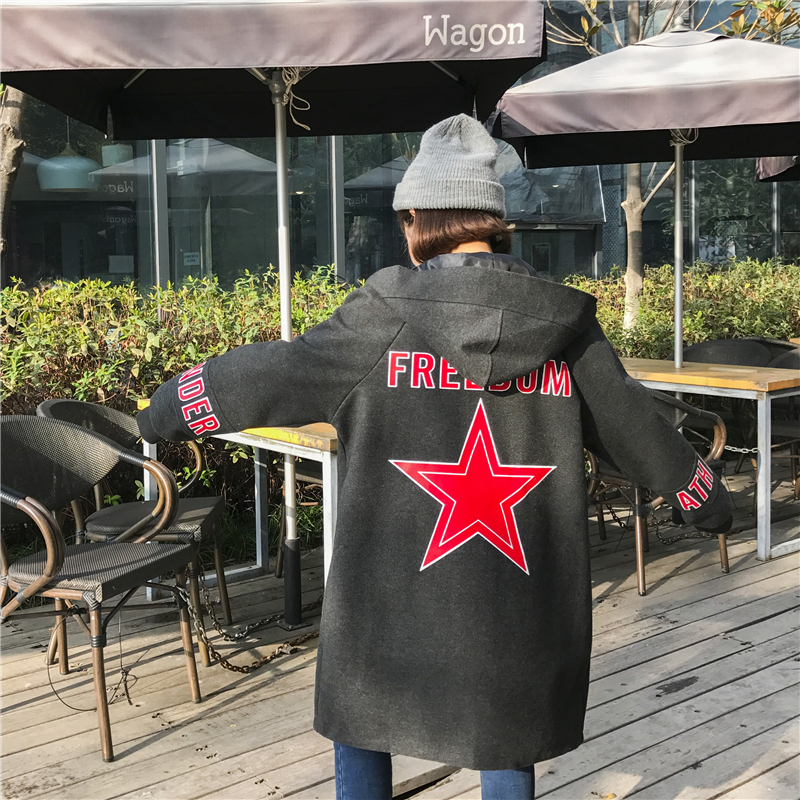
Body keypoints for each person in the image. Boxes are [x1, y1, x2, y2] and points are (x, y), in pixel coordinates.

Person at [138, 114, 733, 800]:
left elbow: (271, 374)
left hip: (386, 602)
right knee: (506, 728)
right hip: (518, 607)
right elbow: (636, 426)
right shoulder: (563, 325)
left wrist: (164, 411)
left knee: (364, 716)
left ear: (416, 218)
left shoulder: (382, 315)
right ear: (494, 222)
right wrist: (708, 503)